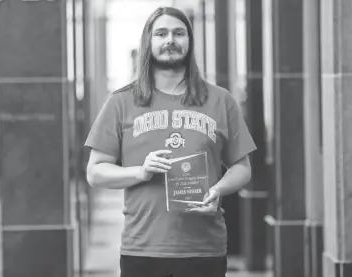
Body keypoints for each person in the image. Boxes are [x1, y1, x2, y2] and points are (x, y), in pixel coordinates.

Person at [84, 6, 256, 277]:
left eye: (179, 33)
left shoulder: (221, 100)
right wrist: (140, 172)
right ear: (148, 42)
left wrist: (218, 189)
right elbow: (95, 172)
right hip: (142, 248)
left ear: (190, 41)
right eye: (160, 33)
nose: (170, 40)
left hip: (204, 249)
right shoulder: (120, 102)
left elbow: (242, 167)